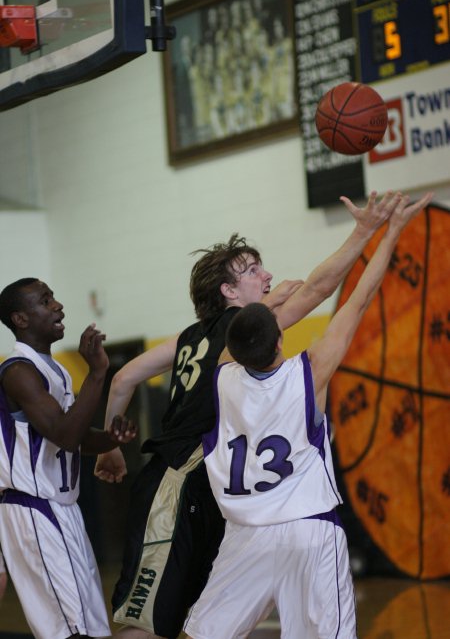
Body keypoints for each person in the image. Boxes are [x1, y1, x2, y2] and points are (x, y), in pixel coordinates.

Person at [94, 191, 405, 639]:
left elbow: (123, 380)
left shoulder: (206, 353)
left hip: (222, 495)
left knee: (188, 619)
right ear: (229, 292)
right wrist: (369, 231)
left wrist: (111, 448)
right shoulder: (265, 353)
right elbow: (325, 291)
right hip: (190, 481)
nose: (268, 275)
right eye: (254, 270)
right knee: (149, 619)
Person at [184, 191, 432, 639]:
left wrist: (267, 304)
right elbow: (358, 298)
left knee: (206, 634)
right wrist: (391, 230)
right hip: (309, 529)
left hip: (246, 533)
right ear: (280, 340)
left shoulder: (221, 376)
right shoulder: (310, 372)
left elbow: (240, 333)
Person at [0, 278, 137, 639]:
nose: (58, 306)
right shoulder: (18, 371)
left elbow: (72, 437)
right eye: (46, 301)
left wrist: (109, 439)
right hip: (35, 510)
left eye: (54, 298)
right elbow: (63, 434)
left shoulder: (54, 369)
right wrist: (96, 373)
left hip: (62, 509)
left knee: (91, 625)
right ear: (21, 319)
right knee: (69, 629)